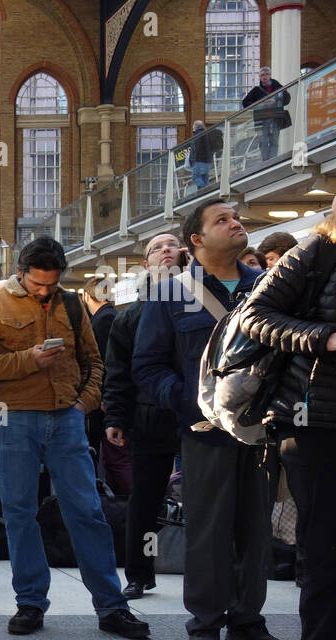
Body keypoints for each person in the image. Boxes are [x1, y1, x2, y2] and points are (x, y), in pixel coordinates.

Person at [0, 236, 150, 640]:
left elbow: (94, 362)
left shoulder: (71, 304)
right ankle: (30, 603)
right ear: (20, 273)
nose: (45, 291)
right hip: (13, 420)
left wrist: (85, 402)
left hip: (66, 418)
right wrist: (27, 360)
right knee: (19, 512)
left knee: (88, 511)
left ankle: (112, 606)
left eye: (51, 283)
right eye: (37, 284)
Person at [132, 198, 284, 640]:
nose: (235, 223)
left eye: (235, 217)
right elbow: (147, 365)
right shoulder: (169, 293)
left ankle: (247, 619)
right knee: (208, 526)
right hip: (203, 430)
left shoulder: (270, 288)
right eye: (222, 220)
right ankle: (205, 620)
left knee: (256, 526)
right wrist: (191, 403)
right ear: (196, 240)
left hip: (260, 430)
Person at [238, 180, 336, 640]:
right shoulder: (319, 251)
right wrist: (326, 337)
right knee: (326, 548)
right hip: (320, 424)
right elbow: (253, 318)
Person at [103, 233, 185, 598]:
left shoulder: (204, 301)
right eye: (157, 247)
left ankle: (210, 569)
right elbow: (117, 372)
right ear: (147, 263)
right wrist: (115, 418)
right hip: (149, 417)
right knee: (146, 498)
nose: (165, 250)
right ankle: (139, 572)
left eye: (172, 244)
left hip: (198, 415)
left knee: (207, 496)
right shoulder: (131, 316)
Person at [78, 275, 118, 480]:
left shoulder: (103, 320)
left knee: (103, 450)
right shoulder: (110, 316)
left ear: (86, 295)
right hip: (104, 395)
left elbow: (105, 362)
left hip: (101, 397)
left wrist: (103, 395)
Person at [242, 66, 292, 163]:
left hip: (276, 118)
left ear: (270, 75)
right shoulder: (256, 91)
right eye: (262, 75)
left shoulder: (278, 87)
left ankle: (273, 160)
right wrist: (261, 104)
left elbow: (287, 99)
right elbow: (245, 103)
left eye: (266, 74)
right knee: (263, 141)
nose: (264, 77)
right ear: (259, 77)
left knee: (274, 140)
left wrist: (276, 100)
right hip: (262, 119)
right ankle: (265, 161)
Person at [189, 120, 221, 190]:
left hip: (199, 160)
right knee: (204, 178)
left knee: (195, 177)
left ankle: (205, 189)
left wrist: (191, 160)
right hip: (208, 161)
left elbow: (195, 149)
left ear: (195, 126)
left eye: (193, 125)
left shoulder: (197, 134)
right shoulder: (207, 134)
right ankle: (203, 192)